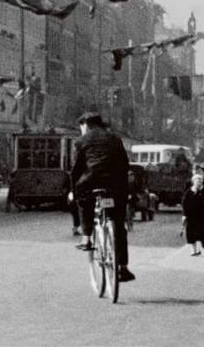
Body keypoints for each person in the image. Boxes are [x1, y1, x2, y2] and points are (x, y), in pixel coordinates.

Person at [69, 112, 135, 283]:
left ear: (86, 125)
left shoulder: (81, 141)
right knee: (119, 224)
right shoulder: (115, 138)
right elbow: (124, 164)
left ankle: (86, 236)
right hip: (115, 184)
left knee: (83, 200)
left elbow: (76, 169)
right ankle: (123, 267)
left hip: (92, 180)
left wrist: (72, 191)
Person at [182, 174, 204, 256]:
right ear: (193, 182)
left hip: (201, 216)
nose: (199, 183)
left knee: (200, 233)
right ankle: (193, 250)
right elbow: (184, 204)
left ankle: (199, 247)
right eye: (197, 181)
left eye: (200, 182)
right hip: (191, 216)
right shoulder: (188, 192)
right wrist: (184, 215)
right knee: (190, 233)